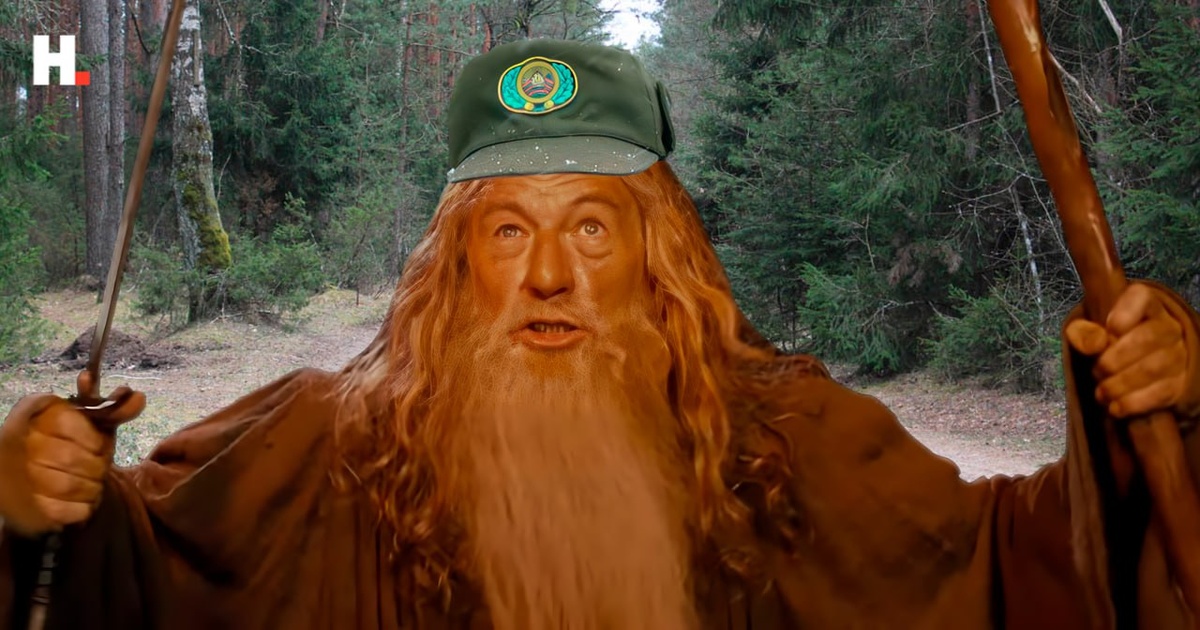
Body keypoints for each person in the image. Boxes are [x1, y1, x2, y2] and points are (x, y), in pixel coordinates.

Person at [1, 39, 1199, 630]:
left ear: (657, 253)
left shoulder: (783, 440)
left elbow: (1000, 565)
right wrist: (35, 501)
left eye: (590, 226)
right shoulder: (320, 441)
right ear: (456, 263)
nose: (549, 276)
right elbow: (134, 572)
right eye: (507, 232)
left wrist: (1147, 417)